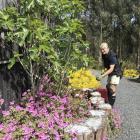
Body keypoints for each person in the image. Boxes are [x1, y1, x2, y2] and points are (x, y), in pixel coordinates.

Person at [97, 42, 122, 107]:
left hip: (116, 73)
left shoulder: (112, 56)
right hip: (111, 73)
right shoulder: (104, 55)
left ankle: (110, 106)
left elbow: (111, 69)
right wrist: (104, 70)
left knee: (112, 88)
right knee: (108, 87)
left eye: (104, 49)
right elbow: (106, 65)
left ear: (107, 48)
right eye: (101, 49)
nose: (102, 51)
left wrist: (102, 76)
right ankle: (108, 102)